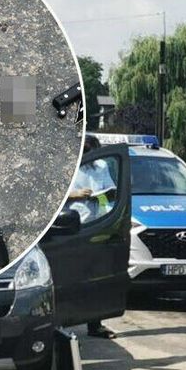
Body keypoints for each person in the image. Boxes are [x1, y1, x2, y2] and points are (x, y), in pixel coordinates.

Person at [68, 134, 119, 339]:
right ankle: (63, 322)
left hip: (96, 225)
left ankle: (95, 325)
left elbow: (111, 190)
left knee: (95, 278)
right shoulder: (70, 167)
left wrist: (107, 194)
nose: (90, 156)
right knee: (70, 277)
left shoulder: (101, 166)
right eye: (87, 152)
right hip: (71, 227)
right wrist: (75, 195)